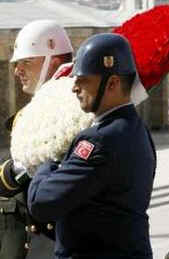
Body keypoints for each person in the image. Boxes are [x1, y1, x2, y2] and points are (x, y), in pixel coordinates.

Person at [24, 33, 156, 259]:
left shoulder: (99, 141)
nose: (74, 88)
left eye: (83, 80)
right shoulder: (136, 129)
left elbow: (41, 202)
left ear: (112, 83)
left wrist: (48, 159)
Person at [0, 19, 73, 259]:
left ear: (53, 61)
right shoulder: (30, 115)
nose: (17, 70)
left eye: (26, 62)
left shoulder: (76, 109)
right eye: (16, 63)